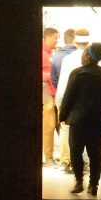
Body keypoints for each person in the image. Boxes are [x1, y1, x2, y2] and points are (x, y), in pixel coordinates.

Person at [59, 42, 101, 196]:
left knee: (75, 151)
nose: (82, 55)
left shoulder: (77, 73)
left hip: (78, 120)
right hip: (98, 120)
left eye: (83, 53)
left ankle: (78, 181)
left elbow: (68, 97)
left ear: (88, 56)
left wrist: (62, 116)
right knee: (95, 152)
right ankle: (93, 185)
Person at [54, 29, 90, 173]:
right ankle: (85, 163)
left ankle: (71, 163)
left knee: (69, 132)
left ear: (75, 40)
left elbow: (63, 84)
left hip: (72, 102)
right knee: (88, 133)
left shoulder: (68, 59)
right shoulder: (96, 59)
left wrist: (60, 103)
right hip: (90, 103)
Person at [41, 27, 59, 166]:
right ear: (47, 37)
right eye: (55, 38)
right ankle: (48, 156)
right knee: (49, 123)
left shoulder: (53, 53)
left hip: (53, 91)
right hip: (45, 92)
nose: (56, 41)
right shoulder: (40, 52)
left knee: (55, 123)